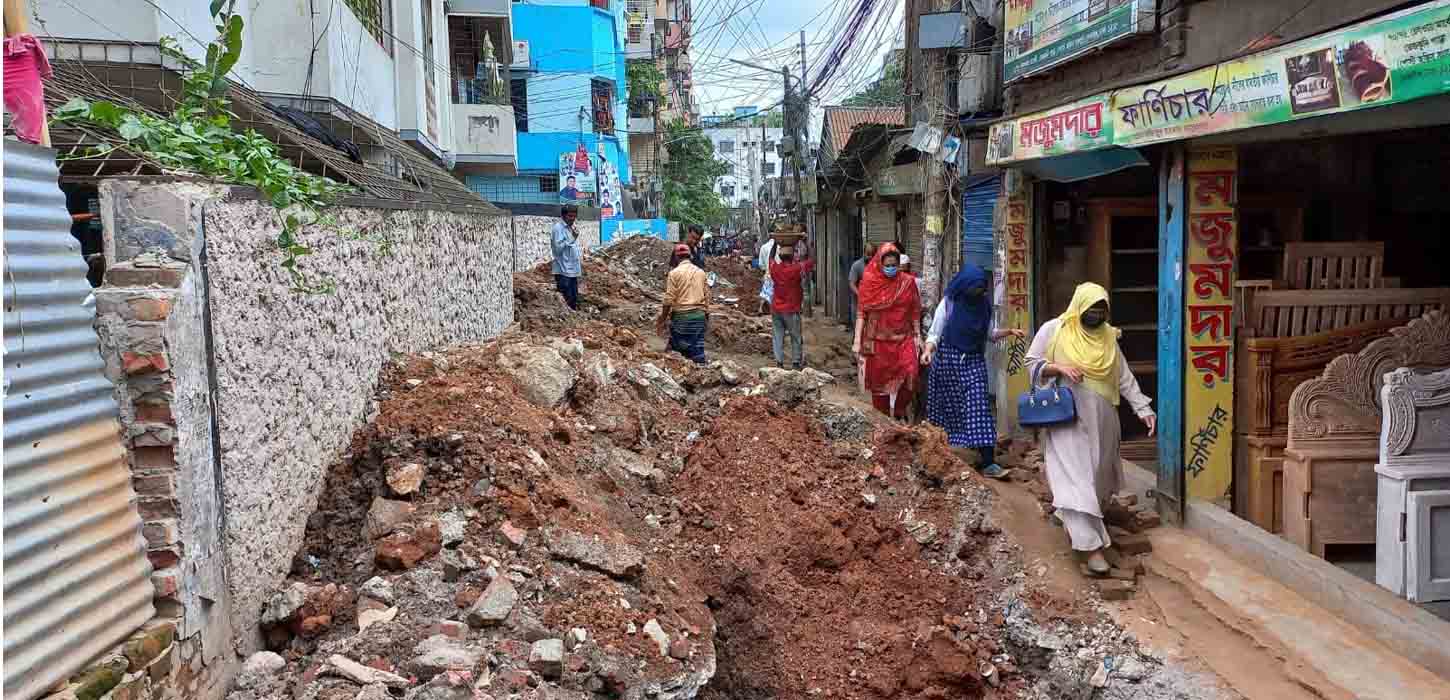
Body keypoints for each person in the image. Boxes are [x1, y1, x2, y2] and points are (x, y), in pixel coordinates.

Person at [1026, 283, 1156, 575]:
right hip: (1066, 418)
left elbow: (1123, 376)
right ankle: (1090, 548)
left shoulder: (1108, 338)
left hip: (1103, 418)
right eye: (1091, 310)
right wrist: (1059, 368)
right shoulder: (1055, 329)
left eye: (1101, 311)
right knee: (1077, 477)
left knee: (1096, 477)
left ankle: (1072, 516)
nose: (1095, 316)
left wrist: (1143, 408)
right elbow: (1032, 362)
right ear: (1079, 307)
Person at [921, 265, 1026, 480]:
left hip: (974, 361)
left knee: (979, 406)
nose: (978, 294)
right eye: (975, 289)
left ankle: (988, 462)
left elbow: (989, 333)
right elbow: (935, 332)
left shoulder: (983, 307)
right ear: (964, 287)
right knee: (950, 410)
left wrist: (1009, 331)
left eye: (981, 290)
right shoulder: (949, 303)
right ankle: (948, 457)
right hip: (948, 362)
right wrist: (928, 351)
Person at [853, 244, 922, 420]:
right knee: (879, 387)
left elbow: (915, 310)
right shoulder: (869, 283)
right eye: (887, 265)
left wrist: (918, 336)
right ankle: (882, 420)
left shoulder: (907, 283)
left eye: (894, 264)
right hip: (878, 342)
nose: (891, 268)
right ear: (880, 264)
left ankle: (899, 410)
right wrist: (856, 341)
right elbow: (862, 313)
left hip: (903, 339)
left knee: (911, 375)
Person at [656, 244, 710, 364]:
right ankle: (701, 371)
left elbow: (669, 299)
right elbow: (707, 296)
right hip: (699, 316)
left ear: (676, 257)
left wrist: (663, 318)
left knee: (677, 352)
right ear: (690, 256)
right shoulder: (701, 272)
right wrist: (706, 314)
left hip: (681, 317)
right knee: (697, 350)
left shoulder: (674, 273)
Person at [769, 242, 815, 369]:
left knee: (778, 336)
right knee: (795, 337)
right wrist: (807, 242)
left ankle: (779, 362)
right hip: (791, 309)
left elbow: (770, 258)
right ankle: (795, 363)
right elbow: (812, 260)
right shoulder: (797, 269)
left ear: (781, 256)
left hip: (776, 309)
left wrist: (775, 242)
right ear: (792, 257)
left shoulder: (775, 268)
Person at [551, 204, 582, 310]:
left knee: (573, 299)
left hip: (572, 270)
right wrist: (572, 237)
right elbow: (557, 249)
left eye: (574, 216)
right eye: (570, 216)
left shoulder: (571, 227)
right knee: (566, 300)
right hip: (563, 271)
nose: (572, 219)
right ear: (563, 216)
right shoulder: (558, 229)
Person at [848, 244, 878, 329]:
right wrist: (859, 294)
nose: (870, 257)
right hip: (859, 304)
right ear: (864, 253)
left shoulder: (878, 266)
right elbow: (851, 283)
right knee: (859, 328)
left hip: (874, 304)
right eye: (868, 254)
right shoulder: (857, 265)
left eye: (873, 254)